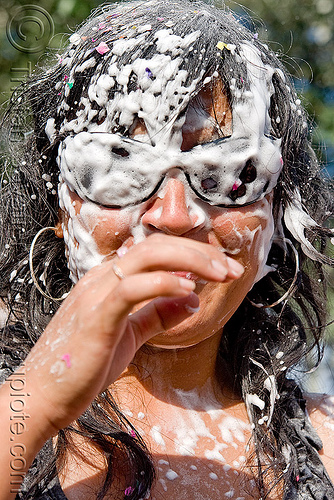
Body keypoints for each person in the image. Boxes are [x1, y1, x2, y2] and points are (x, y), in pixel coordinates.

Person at [0, 0, 334, 498]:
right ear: (56, 207)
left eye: (228, 175)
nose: (174, 216)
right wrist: (37, 401)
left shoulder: (326, 441)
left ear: (281, 216)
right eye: (119, 170)